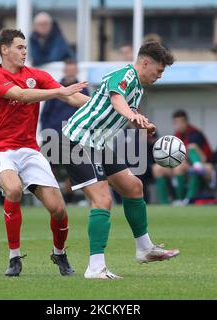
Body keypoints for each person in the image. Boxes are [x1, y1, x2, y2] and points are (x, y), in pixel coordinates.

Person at [62, 41, 179, 280]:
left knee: (134, 186)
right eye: (159, 70)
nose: (159, 75)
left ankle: (145, 249)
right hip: (77, 141)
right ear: (146, 62)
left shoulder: (139, 88)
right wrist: (131, 114)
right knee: (103, 199)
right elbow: (117, 100)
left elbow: (121, 110)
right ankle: (95, 268)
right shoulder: (124, 75)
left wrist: (140, 123)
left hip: (96, 143)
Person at [0, 29, 89, 277]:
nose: (24, 51)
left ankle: (59, 253)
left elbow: (72, 99)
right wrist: (59, 91)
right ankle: (14, 257)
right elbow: (21, 95)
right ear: (4, 49)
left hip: (29, 150)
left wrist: (113, 108)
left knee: (58, 209)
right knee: (14, 189)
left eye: (25, 47)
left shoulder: (37, 75)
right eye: (19, 47)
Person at [40, 59, 90, 203]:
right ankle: (52, 197)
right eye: (68, 69)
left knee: (72, 169)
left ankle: (68, 199)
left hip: (73, 136)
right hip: (54, 135)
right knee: (51, 168)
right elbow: (45, 114)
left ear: (76, 71)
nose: (70, 71)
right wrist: (46, 132)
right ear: (65, 70)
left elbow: (87, 112)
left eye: (72, 69)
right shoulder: (57, 88)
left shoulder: (83, 89)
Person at [152, 110, 214, 205]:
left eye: (182, 122)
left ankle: (180, 200)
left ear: (186, 122)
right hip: (183, 166)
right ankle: (164, 204)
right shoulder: (176, 135)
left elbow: (203, 157)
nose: (180, 125)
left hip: (203, 167)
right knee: (157, 168)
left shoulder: (195, 133)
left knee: (184, 158)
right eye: (177, 123)